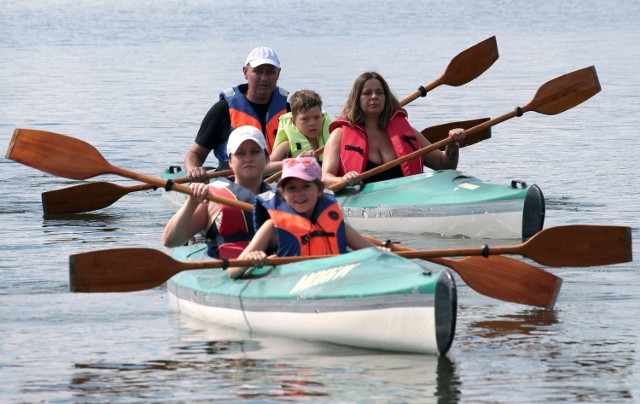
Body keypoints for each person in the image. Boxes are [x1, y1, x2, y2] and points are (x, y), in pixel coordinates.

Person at [228, 157, 378, 279]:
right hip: (292, 288)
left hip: (335, 282)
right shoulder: (271, 227)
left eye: (306, 186)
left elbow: (374, 252)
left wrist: (385, 252)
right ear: (284, 194)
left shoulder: (337, 224)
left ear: (320, 190)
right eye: (292, 188)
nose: (299, 193)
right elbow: (232, 271)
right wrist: (252, 260)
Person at [321, 71, 466, 188]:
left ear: (386, 98)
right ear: (357, 99)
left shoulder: (407, 133)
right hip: (362, 204)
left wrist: (452, 145)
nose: (374, 97)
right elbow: (325, 179)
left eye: (379, 92)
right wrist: (343, 180)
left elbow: (445, 165)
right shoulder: (339, 134)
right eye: (367, 93)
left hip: (406, 203)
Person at [163, 125, 272, 259]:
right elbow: (170, 241)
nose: (248, 158)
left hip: (269, 269)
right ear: (230, 162)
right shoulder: (211, 197)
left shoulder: (279, 198)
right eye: (240, 153)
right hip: (223, 271)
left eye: (255, 152)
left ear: (266, 158)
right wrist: (192, 202)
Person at [185, 46, 290, 182]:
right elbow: (195, 153)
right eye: (258, 71)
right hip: (231, 181)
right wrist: (193, 169)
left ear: (278, 74)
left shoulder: (288, 110)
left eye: (270, 72)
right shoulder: (223, 110)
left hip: (278, 181)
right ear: (245, 72)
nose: (264, 78)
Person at [270, 89, 331, 163]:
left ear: (322, 117)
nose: (312, 123)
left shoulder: (333, 141)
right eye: (305, 119)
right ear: (294, 121)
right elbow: (265, 168)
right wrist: (295, 161)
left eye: (316, 117)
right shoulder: (286, 145)